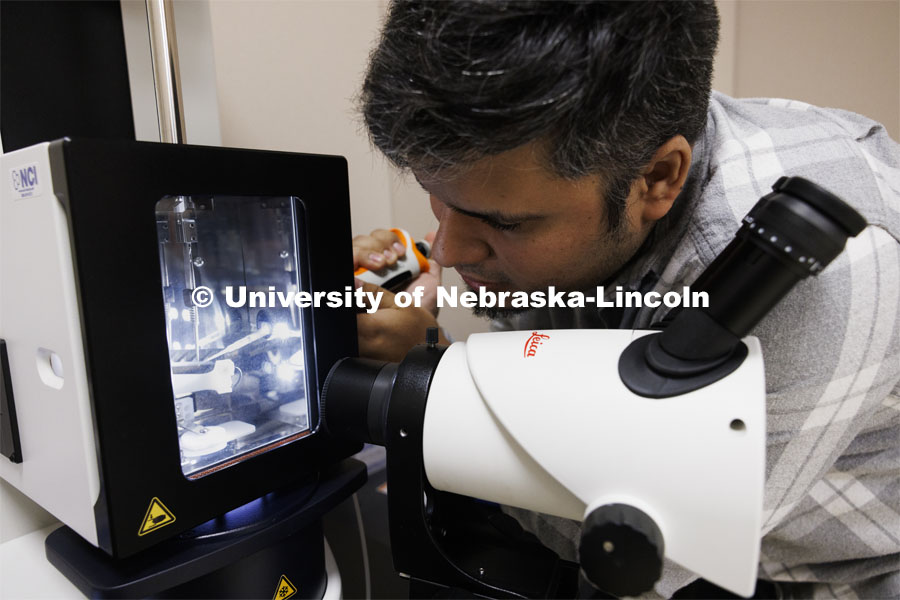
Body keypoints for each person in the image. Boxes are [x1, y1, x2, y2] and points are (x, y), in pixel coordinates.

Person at [351, 1, 900, 597]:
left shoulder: (816, 276)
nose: (449, 249)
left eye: (502, 223)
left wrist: (428, 383)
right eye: (437, 196)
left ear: (659, 178)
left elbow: (640, 551)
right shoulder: (596, 163)